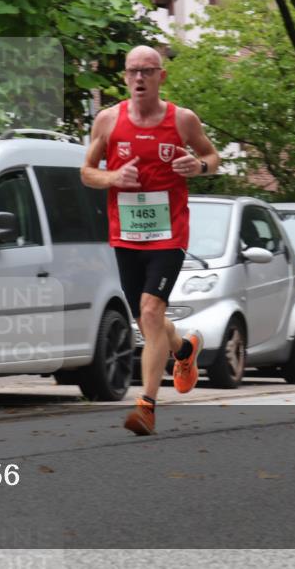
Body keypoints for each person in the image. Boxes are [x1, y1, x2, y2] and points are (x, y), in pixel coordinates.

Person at [81, 45, 220, 435]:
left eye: (147, 70)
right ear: (125, 77)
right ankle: (184, 349)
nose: (139, 78)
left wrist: (198, 166)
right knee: (147, 319)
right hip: (125, 235)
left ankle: (146, 407)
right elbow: (87, 172)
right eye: (133, 71)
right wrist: (112, 177)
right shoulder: (108, 120)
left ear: (162, 76)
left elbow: (213, 157)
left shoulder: (183, 120)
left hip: (169, 234)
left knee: (151, 310)